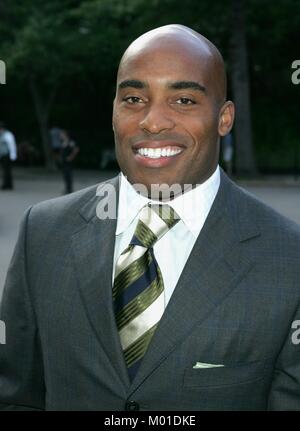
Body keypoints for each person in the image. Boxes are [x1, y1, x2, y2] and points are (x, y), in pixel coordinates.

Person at [0, 24, 300, 411]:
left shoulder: (288, 259)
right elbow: (15, 396)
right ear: (113, 111)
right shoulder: (41, 233)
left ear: (224, 118)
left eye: (185, 101)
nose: (153, 121)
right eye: (134, 98)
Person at [57, 129, 79, 194]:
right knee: (65, 175)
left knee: (68, 175)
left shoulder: (70, 142)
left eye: (61, 135)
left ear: (65, 135)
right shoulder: (63, 142)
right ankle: (67, 188)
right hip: (64, 162)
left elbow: (76, 149)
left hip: (69, 162)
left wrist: (71, 157)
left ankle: (70, 189)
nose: (60, 136)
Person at [0, 122, 17, 190]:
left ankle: (8, 185)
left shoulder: (8, 134)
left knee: (7, 170)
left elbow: (12, 145)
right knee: (5, 170)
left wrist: (13, 155)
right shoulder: (2, 135)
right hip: (3, 155)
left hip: (7, 155)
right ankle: (6, 184)